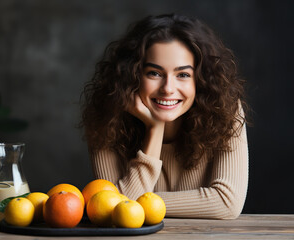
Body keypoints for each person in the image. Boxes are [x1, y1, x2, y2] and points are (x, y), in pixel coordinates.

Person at [81, 13, 249, 219]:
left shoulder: (225, 112)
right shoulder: (106, 117)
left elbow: (227, 202)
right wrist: (155, 129)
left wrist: (137, 203)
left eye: (183, 75)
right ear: (132, 76)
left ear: (201, 80)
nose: (168, 88)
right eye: (155, 73)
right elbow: (113, 212)